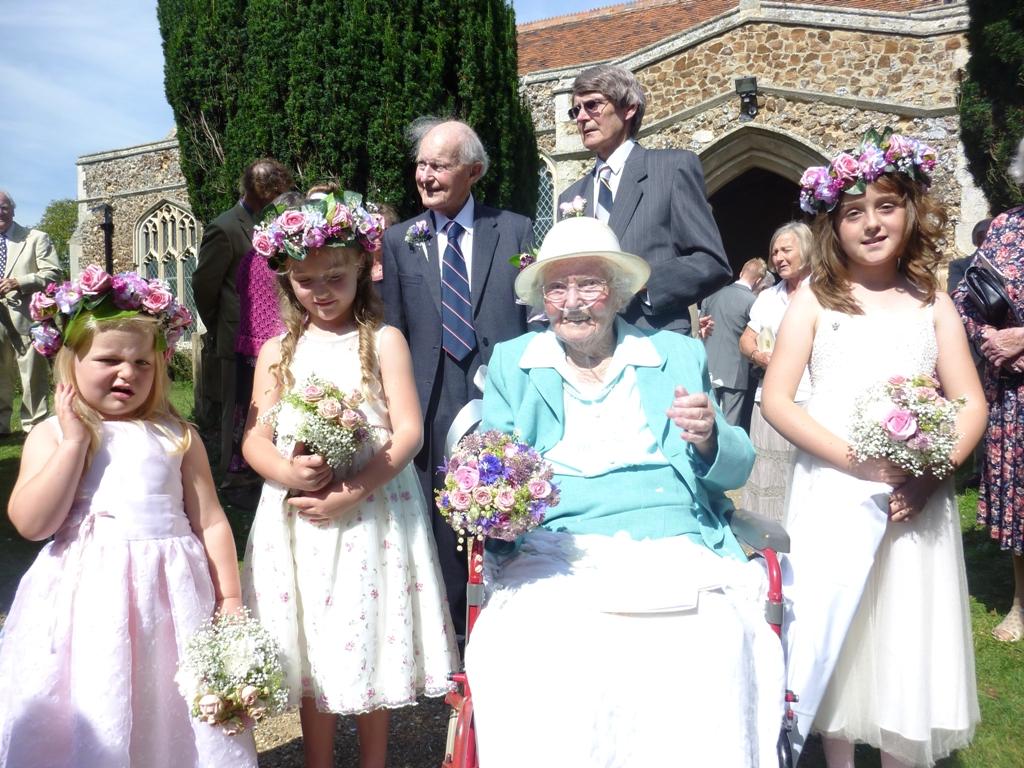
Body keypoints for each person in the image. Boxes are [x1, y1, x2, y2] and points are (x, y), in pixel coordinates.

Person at [464, 216, 783, 767]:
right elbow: (495, 466)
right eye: (558, 288)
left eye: (589, 284)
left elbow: (735, 468)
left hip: (675, 534)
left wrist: (709, 438)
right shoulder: (515, 364)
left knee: (715, 641)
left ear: (617, 291)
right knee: (541, 643)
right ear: (543, 299)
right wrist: (493, 496)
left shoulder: (676, 355)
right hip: (556, 543)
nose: (573, 301)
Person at [762, 130, 985, 766]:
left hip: (915, 500)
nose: (872, 223)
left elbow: (970, 401)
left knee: (904, 628)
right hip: (834, 484)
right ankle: (834, 755)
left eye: (886, 206)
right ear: (833, 227)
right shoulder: (815, 299)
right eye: (853, 212)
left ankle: (897, 751)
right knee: (841, 622)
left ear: (910, 210)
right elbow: (779, 399)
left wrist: (930, 476)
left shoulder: (932, 302)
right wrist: (853, 461)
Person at [0, 268, 256, 767]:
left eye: (142, 362)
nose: (128, 373)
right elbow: (33, 524)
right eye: (109, 359)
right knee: (98, 693)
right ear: (71, 364)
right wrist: (74, 442)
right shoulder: (54, 435)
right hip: (87, 601)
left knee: (167, 698)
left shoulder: (177, 435)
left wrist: (228, 598)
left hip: (171, 596)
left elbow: (210, 520)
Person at [241, 192, 458, 768]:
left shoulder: (383, 339)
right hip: (301, 521)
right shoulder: (276, 352)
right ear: (288, 282)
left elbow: (408, 431)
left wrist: (354, 488)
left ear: (362, 267)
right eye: (306, 280)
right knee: (312, 639)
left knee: (366, 637)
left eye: (334, 276)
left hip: (371, 511)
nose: (322, 291)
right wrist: (288, 471)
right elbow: (254, 439)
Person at [380, 117, 533, 634]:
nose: (424, 175)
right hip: (430, 395)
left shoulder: (511, 228)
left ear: (473, 170)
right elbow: (394, 326)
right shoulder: (402, 240)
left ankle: (507, 617)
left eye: (438, 165)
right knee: (439, 513)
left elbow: (529, 310)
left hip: (499, 393)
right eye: (420, 164)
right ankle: (451, 630)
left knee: (506, 499)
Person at [558, 64, 731, 335]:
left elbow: (711, 262)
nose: (581, 117)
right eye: (576, 110)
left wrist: (642, 283)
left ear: (629, 108)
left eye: (592, 105)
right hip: (587, 350)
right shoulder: (569, 198)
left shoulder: (672, 170)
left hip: (653, 338)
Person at [952, 138, 1024, 643]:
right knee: (1021, 505)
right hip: (1014, 393)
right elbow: (965, 297)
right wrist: (991, 340)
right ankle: (1020, 604)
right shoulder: (1004, 228)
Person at [192, 158, 293, 480]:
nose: (274, 201)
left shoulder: (275, 223)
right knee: (236, 408)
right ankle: (231, 475)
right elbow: (204, 285)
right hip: (238, 335)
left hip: (277, 334)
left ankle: (265, 468)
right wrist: (220, 324)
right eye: (269, 194)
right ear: (254, 192)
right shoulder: (225, 228)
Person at [738, 222, 813, 522]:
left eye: (786, 250)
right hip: (768, 397)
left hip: (810, 396)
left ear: (806, 250)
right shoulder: (769, 296)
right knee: (769, 472)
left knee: (803, 471)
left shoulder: (825, 291)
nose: (779, 257)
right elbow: (746, 338)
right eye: (775, 252)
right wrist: (758, 354)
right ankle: (766, 546)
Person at [0, 189, 62, 434]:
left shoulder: (36, 238)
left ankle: (35, 426)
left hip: (27, 318)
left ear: (13, 210)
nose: (0, 212)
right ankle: (1, 426)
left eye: (4, 207)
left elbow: (53, 274)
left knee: (32, 376)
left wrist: (19, 282)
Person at [946, 217, 992, 489]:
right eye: (986, 235)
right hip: (974, 348)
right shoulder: (961, 266)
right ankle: (978, 467)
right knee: (978, 406)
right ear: (977, 241)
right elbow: (958, 296)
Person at [700, 257, 767, 429]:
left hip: (708, 367)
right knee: (730, 425)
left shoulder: (712, 294)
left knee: (704, 420)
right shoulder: (754, 303)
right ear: (759, 280)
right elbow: (759, 338)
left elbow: (700, 327)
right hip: (736, 373)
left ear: (741, 272)